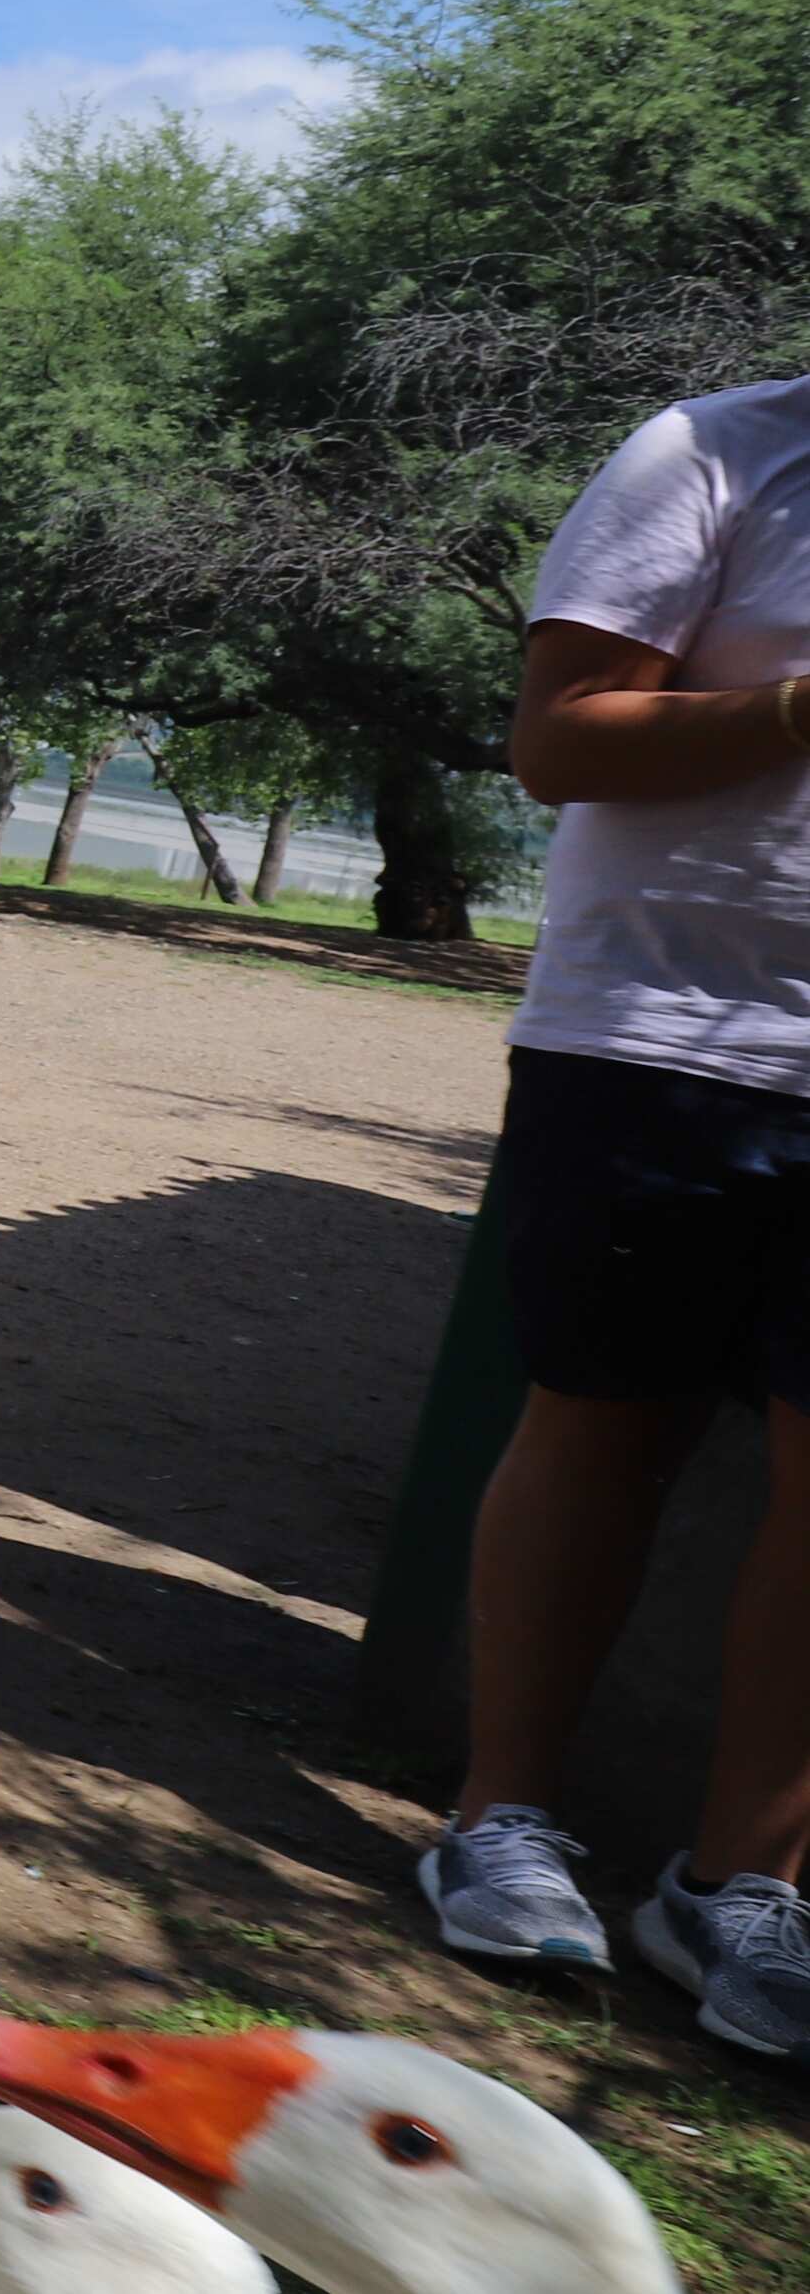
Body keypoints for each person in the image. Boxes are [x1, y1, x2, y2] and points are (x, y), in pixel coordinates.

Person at [410, 369, 810, 2055]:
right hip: (660, 1036)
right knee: (601, 1424)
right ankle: (502, 1817)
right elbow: (558, 737)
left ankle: (738, 1889)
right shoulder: (714, 452)